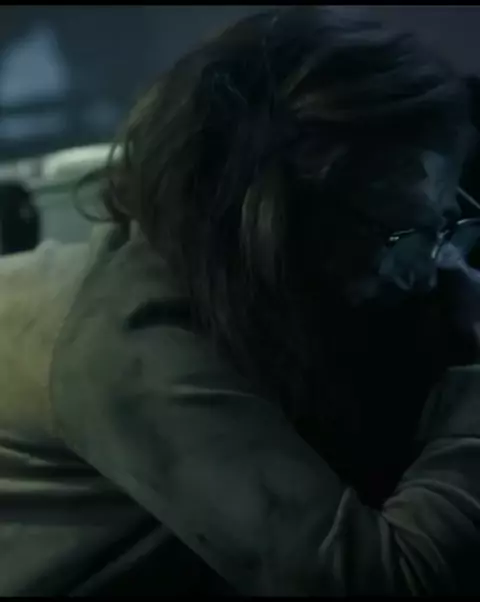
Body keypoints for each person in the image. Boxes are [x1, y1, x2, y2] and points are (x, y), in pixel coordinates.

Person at [1, 6, 480, 595]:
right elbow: (374, 581)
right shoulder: (134, 349)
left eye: (442, 223)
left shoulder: (237, 274)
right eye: (400, 232)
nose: (429, 270)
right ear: (281, 218)